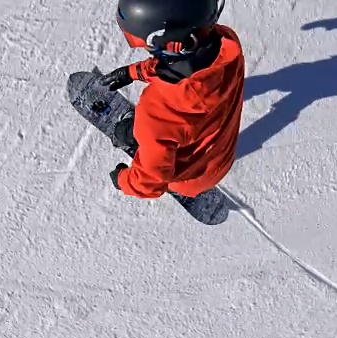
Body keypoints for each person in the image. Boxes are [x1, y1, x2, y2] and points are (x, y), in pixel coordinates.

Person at [101, 0, 245, 199]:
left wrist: (122, 180)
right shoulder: (227, 44)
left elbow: (149, 182)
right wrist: (134, 72)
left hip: (188, 179)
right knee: (153, 131)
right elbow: (182, 67)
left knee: (127, 132)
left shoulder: (157, 111)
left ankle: (142, 139)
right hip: (223, 155)